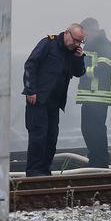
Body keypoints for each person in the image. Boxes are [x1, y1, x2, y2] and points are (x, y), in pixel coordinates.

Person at [21, 23, 86, 176]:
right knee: (39, 136)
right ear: (67, 33)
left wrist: (79, 58)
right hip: (38, 99)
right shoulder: (48, 44)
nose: (76, 44)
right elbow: (31, 65)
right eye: (75, 40)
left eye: (80, 42)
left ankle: (44, 170)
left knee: (51, 137)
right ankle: (34, 171)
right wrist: (30, 90)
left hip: (54, 102)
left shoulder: (72, 53)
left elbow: (79, 72)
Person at [75, 17, 111, 168]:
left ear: (91, 31)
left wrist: (83, 71)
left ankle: (100, 163)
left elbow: (104, 69)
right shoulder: (89, 46)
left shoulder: (106, 46)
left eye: (84, 34)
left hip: (98, 96)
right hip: (88, 96)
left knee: (96, 129)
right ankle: (94, 160)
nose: (83, 38)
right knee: (87, 129)